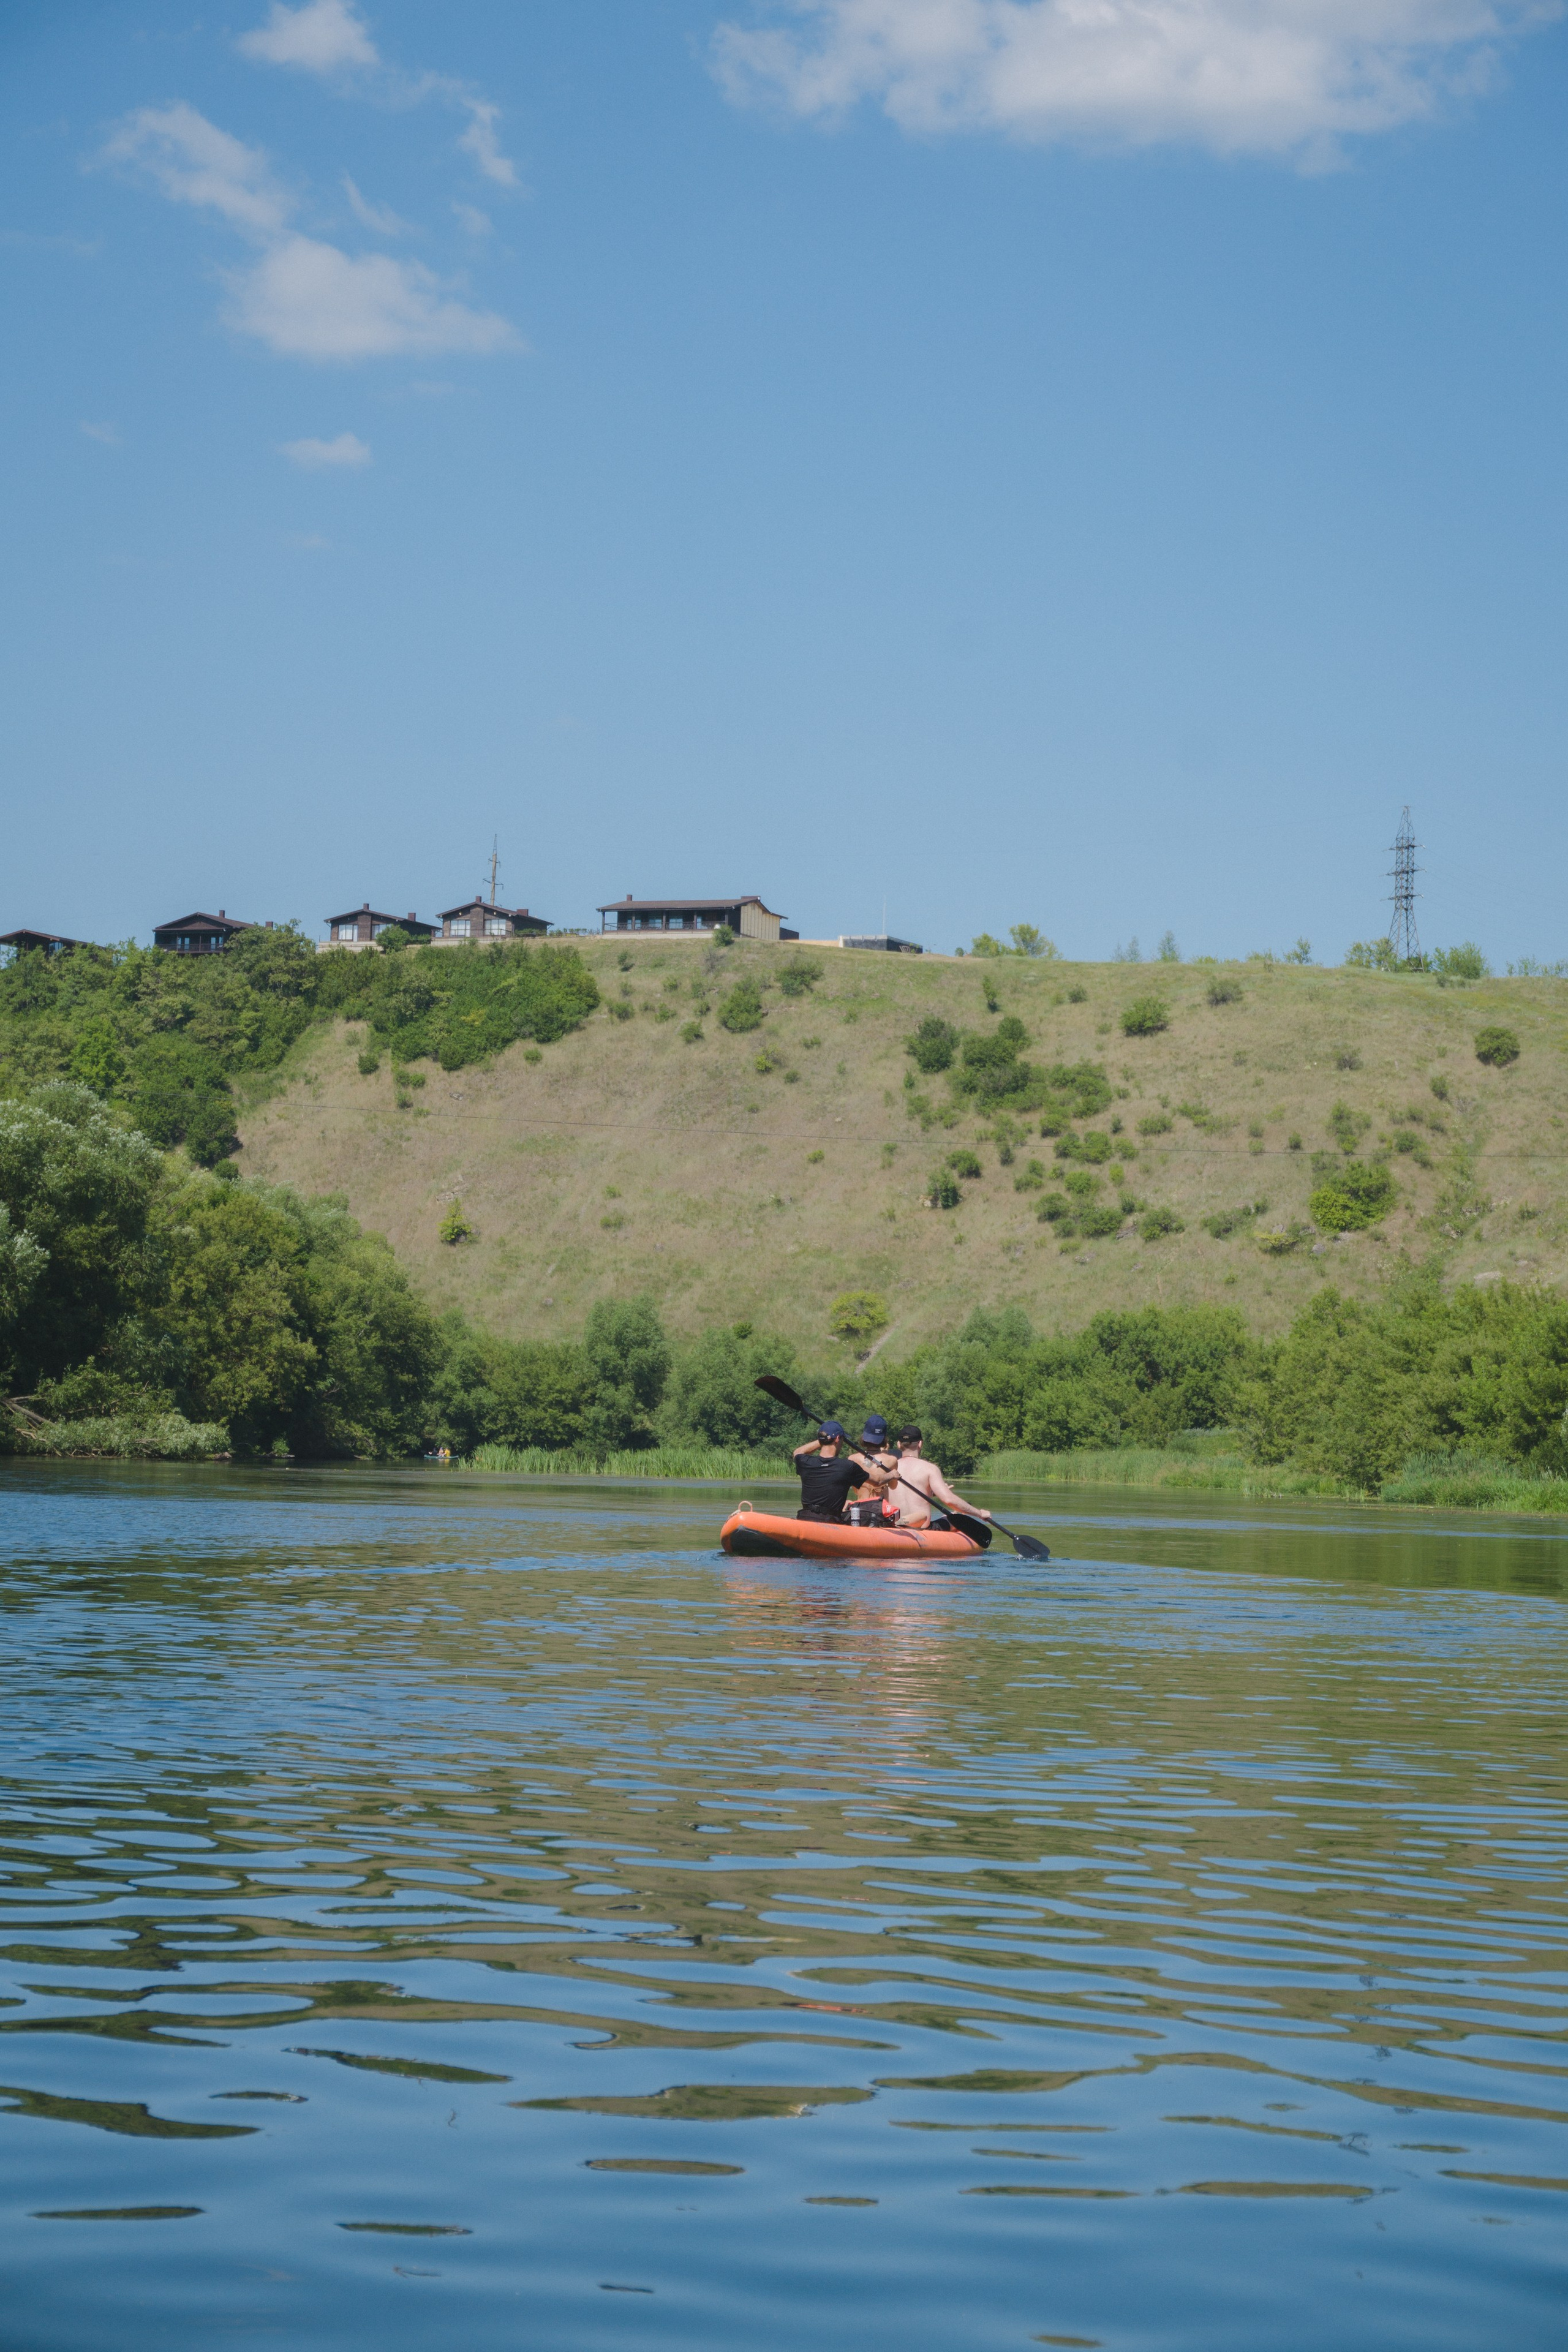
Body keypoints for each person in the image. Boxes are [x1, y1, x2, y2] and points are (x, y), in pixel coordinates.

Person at [887, 1426, 992, 1531]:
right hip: (923, 1529)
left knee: (949, 1516)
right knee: (958, 1517)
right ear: (920, 1444)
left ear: (899, 1444)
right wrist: (979, 1513)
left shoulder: (888, 1470)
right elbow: (949, 1500)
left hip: (895, 1526)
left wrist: (930, 1494)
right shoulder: (930, 1469)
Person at [793, 1421, 891, 1524]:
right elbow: (877, 1482)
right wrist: (892, 1475)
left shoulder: (805, 1463)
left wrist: (823, 1439)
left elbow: (798, 1452)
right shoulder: (848, 1466)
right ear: (838, 1439)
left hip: (804, 1518)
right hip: (831, 1521)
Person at [846, 1414, 901, 1527]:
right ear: (884, 1439)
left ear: (864, 1437)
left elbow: (855, 1490)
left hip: (859, 1510)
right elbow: (893, 1486)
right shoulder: (892, 1460)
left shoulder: (852, 1459)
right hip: (880, 1512)